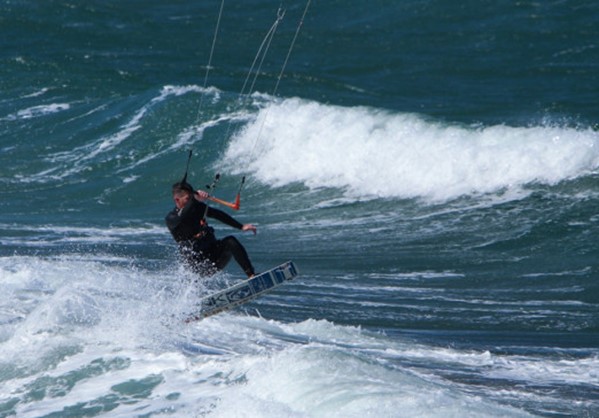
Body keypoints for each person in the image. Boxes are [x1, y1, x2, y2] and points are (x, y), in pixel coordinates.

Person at [165, 181, 256, 278]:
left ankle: (251, 276)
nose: (190, 201)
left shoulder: (197, 207)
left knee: (231, 241)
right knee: (194, 280)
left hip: (214, 256)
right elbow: (183, 217)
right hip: (198, 267)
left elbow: (218, 214)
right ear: (177, 200)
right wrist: (195, 199)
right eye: (188, 198)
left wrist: (241, 226)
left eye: (191, 197)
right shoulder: (171, 218)